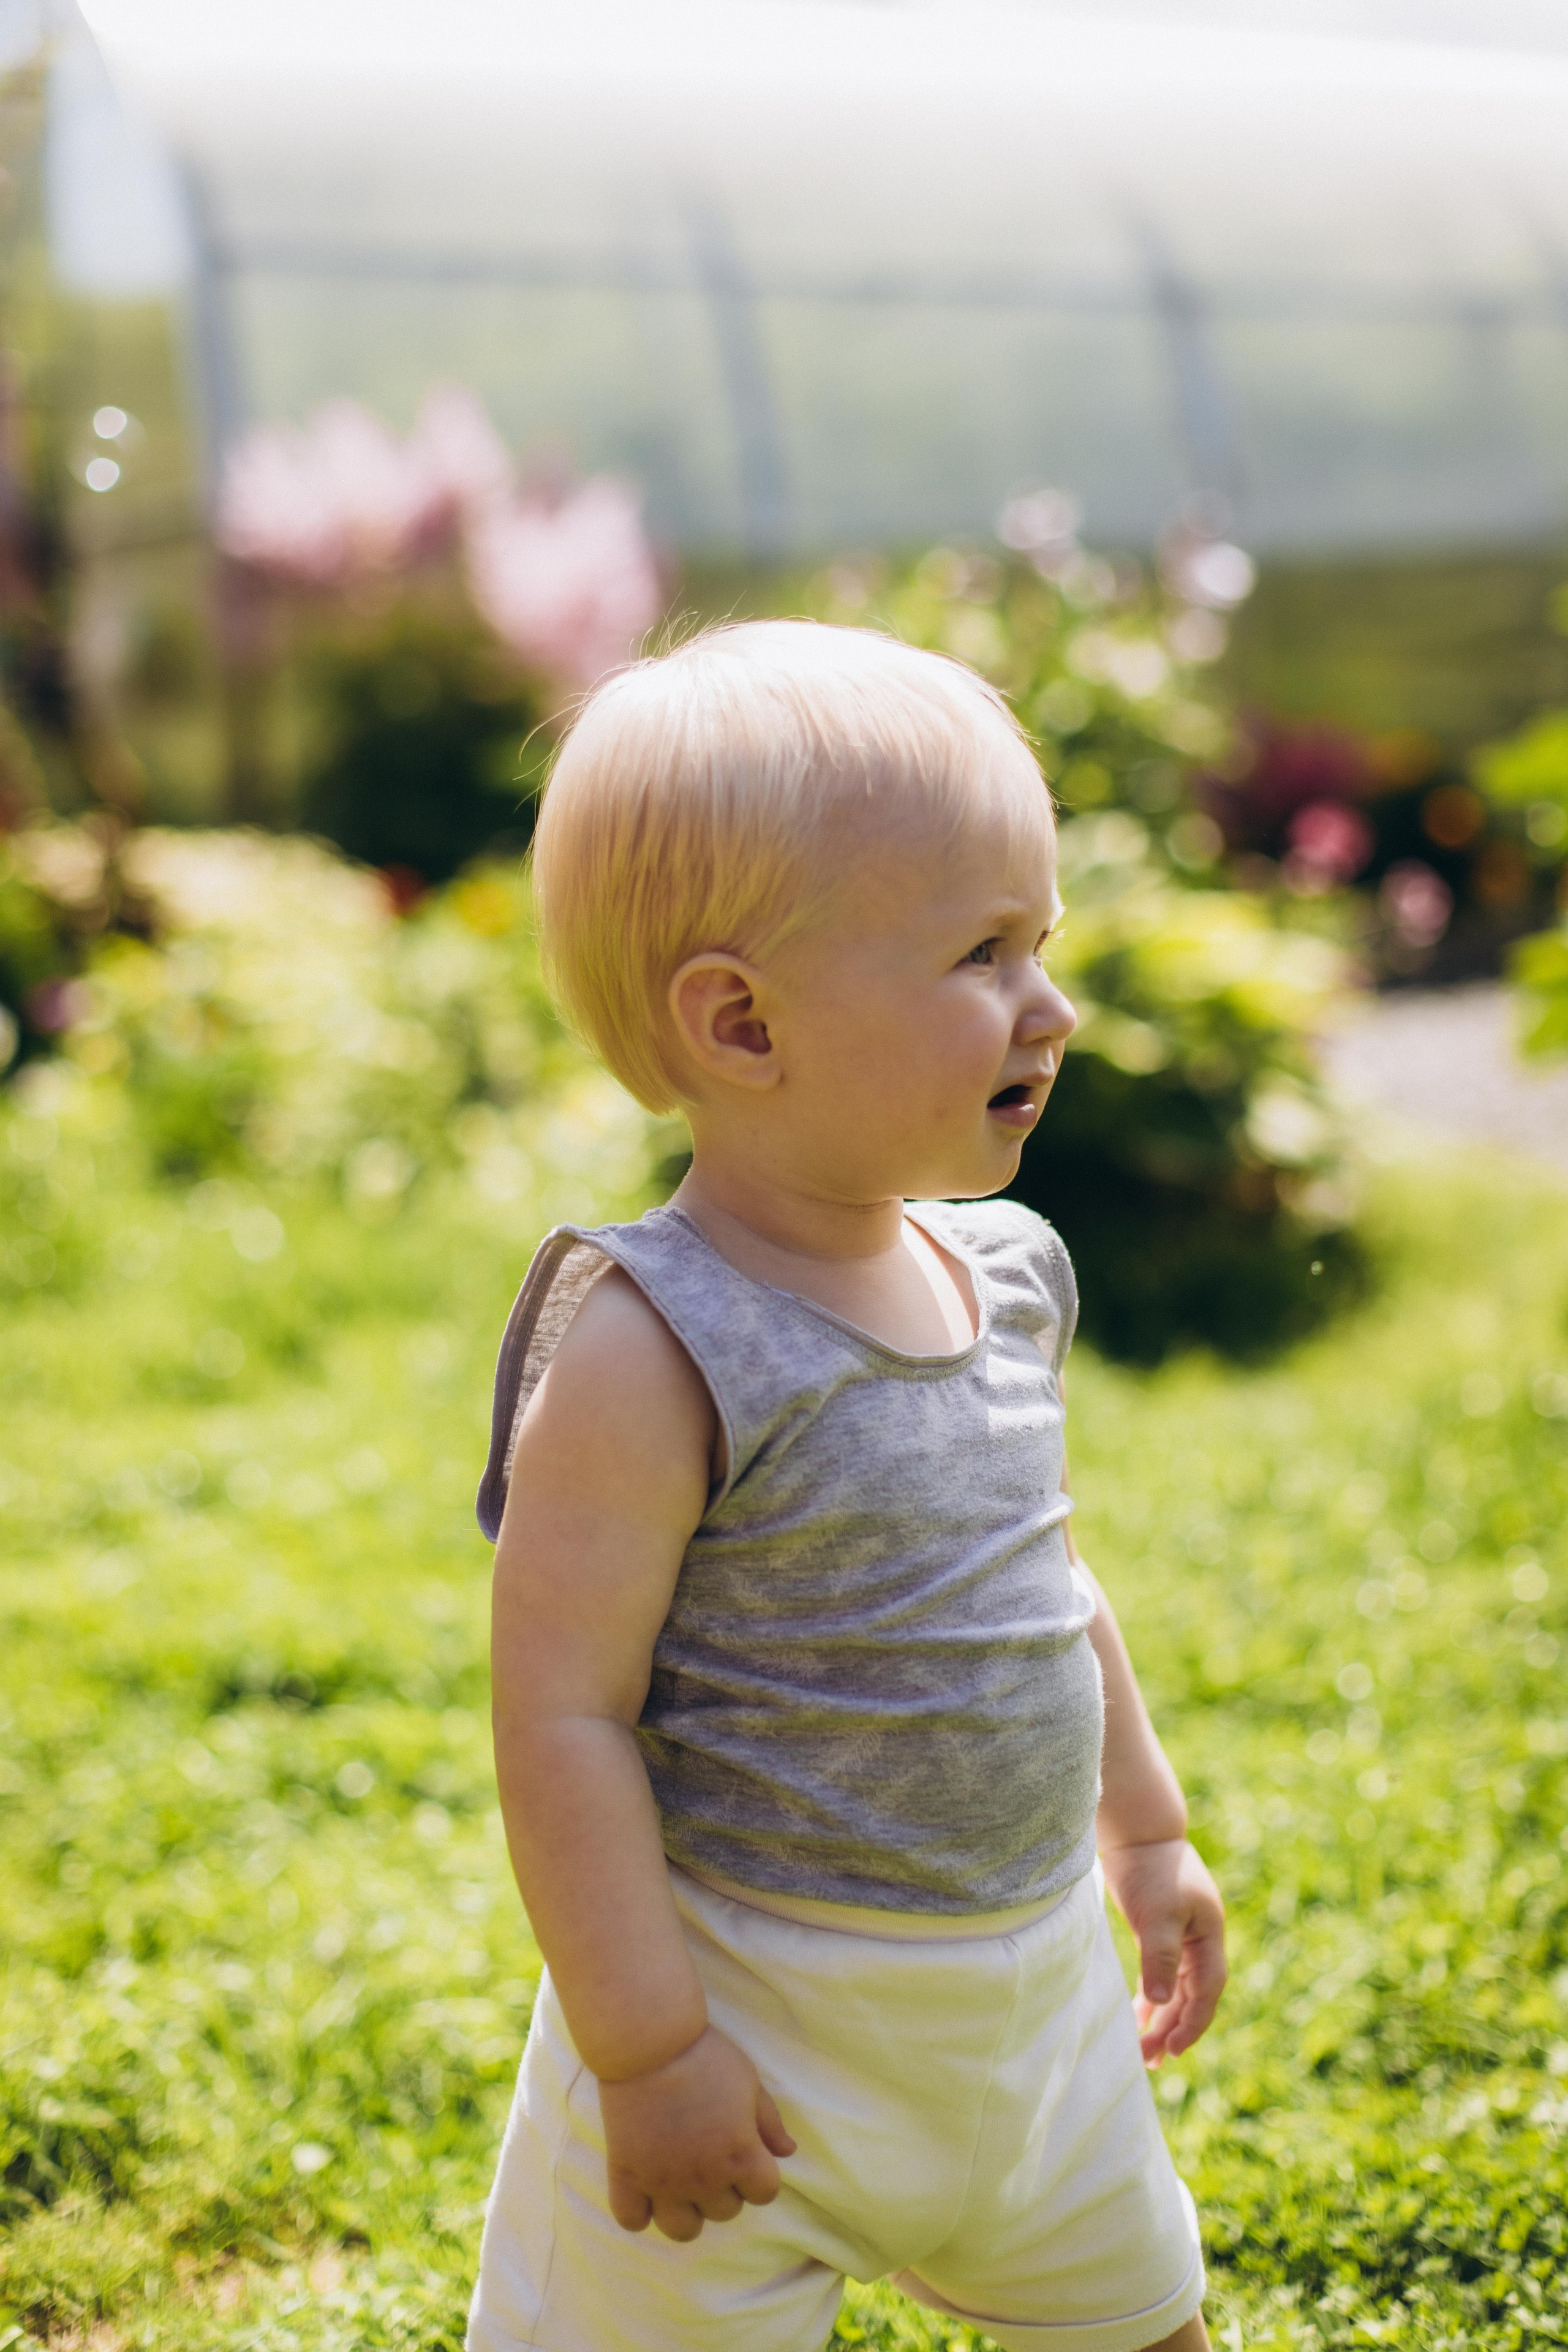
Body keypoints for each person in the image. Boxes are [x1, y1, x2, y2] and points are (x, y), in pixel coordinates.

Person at [467, 620, 1227, 2352]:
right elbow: (562, 1714)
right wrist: (648, 2050)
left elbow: (1045, 1581)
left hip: (1029, 2015)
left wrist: (1150, 1825)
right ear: (741, 1022)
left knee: (1148, 2323)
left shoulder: (1009, 1274)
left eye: (1045, 942)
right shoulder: (650, 1344)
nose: (1053, 1004)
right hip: (746, 2030)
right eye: (981, 952)